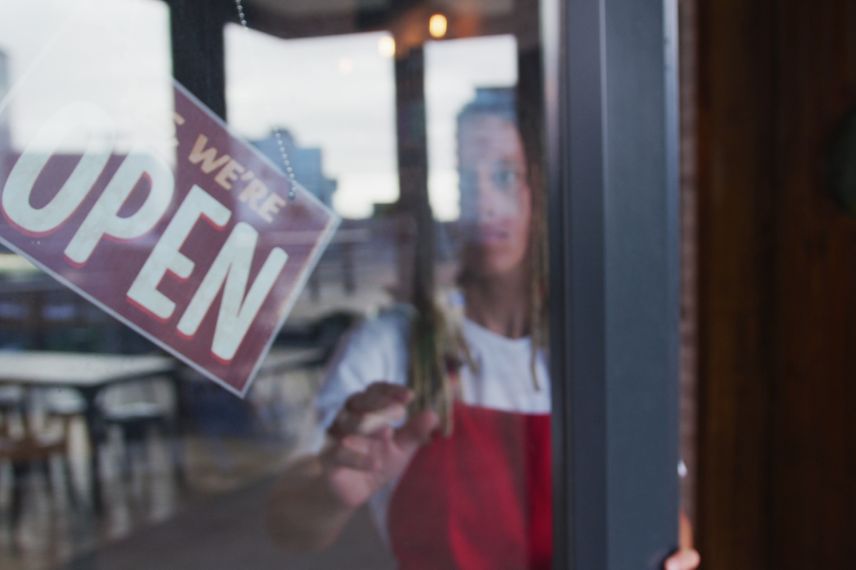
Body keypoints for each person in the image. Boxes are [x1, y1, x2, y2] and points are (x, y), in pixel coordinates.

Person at [267, 88, 699, 570]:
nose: (486, 202)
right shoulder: (392, 349)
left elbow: (661, 520)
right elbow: (288, 525)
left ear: (546, 189)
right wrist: (331, 487)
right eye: (467, 181)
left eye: (505, 176)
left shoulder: (598, 349)